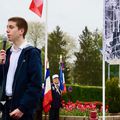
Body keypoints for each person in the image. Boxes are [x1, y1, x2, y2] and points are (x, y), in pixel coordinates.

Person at [0, 17, 42, 120]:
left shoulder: (32, 53)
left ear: (21, 31)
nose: (7, 30)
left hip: (22, 110)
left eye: (11, 27)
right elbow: (2, 81)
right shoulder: (8, 53)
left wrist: (22, 108)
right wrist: (1, 65)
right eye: (7, 27)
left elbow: (35, 84)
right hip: (6, 106)